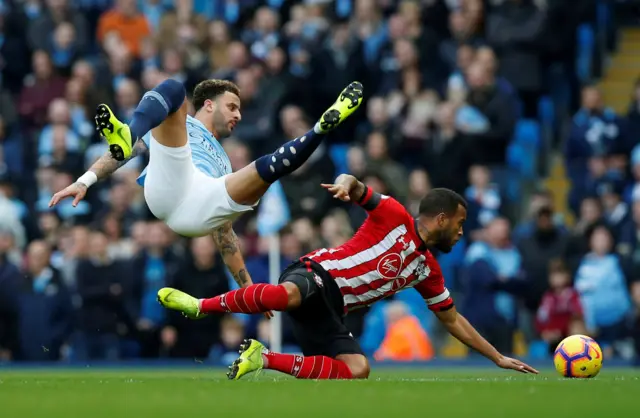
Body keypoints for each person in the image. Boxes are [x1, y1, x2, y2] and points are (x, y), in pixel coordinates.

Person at [158, 173, 539, 380]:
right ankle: (201, 306)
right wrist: (345, 184)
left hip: (333, 309)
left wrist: (496, 357)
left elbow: (452, 319)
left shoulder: (428, 270)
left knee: (359, 369)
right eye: (459, 223)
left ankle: (264, 359)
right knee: (289, 295)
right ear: (441, 218)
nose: (461, 231)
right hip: (317, 272)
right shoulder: (393, 215)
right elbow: (357, 185)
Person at [49, 79, 363, 293]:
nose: (238, 115)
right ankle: (128, 133)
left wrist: (249, 290)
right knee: (172, 89)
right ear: (210, 105)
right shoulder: (178, 123)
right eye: (232, 107)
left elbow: (226, 237)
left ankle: (320, 127)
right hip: (170, 183)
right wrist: (85, 180)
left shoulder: (226, 164)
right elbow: (122, 156)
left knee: (267, 167)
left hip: (198, 206)